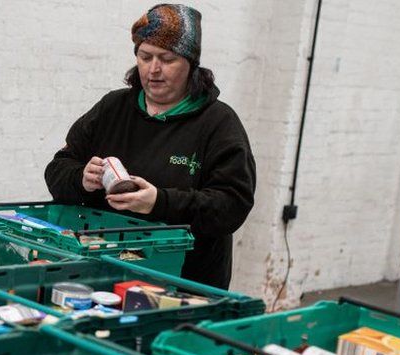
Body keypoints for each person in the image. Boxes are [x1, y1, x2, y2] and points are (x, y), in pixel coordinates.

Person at [45, 4, 255, 289]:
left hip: (184, 283)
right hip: (103, 273)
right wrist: (81, 178)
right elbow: (58, 168)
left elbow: (232, 205)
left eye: (167, 59)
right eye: (145, 57)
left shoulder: (218, 123)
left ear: (191, 64)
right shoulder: (113, 108)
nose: (154, 69)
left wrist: (159, 202)